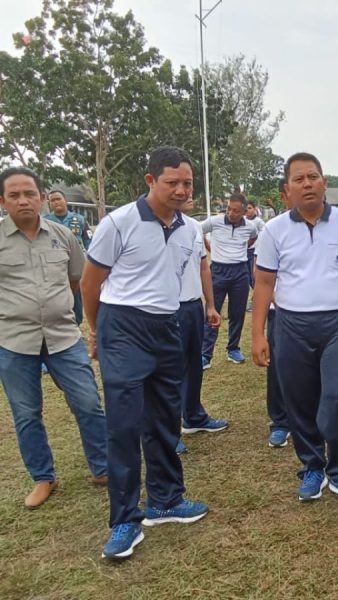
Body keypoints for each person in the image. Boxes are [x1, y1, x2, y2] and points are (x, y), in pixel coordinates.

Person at [82, 146, 209, 561]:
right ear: (151, 181)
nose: (180, 190)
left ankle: (166, 500)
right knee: (124, 423)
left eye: (187, 183)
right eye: (172, 182)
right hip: (124, 326)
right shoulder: (118, 223)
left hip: (167, 326)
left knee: (164, 416)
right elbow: (90, 283)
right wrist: (98, 329)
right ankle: (123, 520)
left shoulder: (189, 228)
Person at [252, 151, 338, 505]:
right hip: (291, 325)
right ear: (286, 191)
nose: (307, 184)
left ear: (324, 182)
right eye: (299, 179)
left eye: (313, 177)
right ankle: (312, 466)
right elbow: (263, 284)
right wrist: (258, 333)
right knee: (299, 399)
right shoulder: (274, 231)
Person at [0, 167, 107, 509]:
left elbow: (78, 280)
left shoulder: (63, 236)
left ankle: (103, 467)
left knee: (88, 403)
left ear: (42, 197)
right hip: (14, 342)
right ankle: (43, 478)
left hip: (63, 337)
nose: (23, 201)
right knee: (27, 413)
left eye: (29, 193)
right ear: (3, 201)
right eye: (14, 195)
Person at [175, 198, 227, 455]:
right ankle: (166, 431)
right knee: (167, 372)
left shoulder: (194, 226)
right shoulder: (144, 225)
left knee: (193, 365)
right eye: (175, 184)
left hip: (192, 306)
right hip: (163, 310)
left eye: (188, 186)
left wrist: (210, 305)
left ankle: (193, 417)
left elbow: (203, 267)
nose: (185, 193)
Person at [252, 179, 292, 449]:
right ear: (285, 195)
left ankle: (309, 419)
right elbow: (262, 277)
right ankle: (279, 421)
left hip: (315, 314)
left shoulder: (329, 227)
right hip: (282, 313)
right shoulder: (273, 230)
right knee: (278, 367)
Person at [200, 193, 259, 367]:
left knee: (237, 312)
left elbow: (254, 237)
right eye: (228, 209)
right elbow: (197, 230)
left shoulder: (250, 226)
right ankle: (205, 354)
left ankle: (233, 348)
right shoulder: (214, 222)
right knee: (212, 311)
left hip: (240, 271)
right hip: (218, 270)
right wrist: (208, 246)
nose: (230, 213)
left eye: (235, 211)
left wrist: (242, 248)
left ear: (243, 211)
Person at [45, 189, 92, 325]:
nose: (56, 202)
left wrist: (91, 258)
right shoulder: (45, 221)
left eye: (58, 199)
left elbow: (89, 240)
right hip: (55, 264)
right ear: (49, 204)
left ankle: (76, 322)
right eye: (52, 200)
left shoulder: (79, 219)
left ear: (65, 200)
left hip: (75, 264)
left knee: (76, 293)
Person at [245, 200, 266, 300]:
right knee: (247, 277)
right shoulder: (243, 220)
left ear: (254, 209)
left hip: (254, 252)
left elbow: (264, 234)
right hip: (244, 251)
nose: (247, 210)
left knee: (254, 276)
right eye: (246, 208)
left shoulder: (258, 221)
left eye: (249, 208)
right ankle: (256, 297)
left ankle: (259, 297)